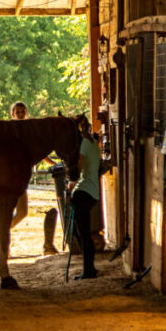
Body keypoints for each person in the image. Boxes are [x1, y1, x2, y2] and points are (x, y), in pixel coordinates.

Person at [4, 102, 56, 249]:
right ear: (13, 114)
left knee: (22, 212)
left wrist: (53, 164)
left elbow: (40, 151)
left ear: (26, 113)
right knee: (8, 210)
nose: (20, 115)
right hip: (10, 176)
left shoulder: (30, 131)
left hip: (22, 178)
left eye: (22, 112)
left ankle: (1, 233)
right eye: (17, 112)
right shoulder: (9, 130)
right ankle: (3, 241)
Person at [68, 114, 101, 279]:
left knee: (83, 233)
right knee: (79, 231)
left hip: (83, 192)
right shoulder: (95, 143)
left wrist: (70, 183)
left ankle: (89, 269)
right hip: (93, 192)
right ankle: (89, 267)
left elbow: (78, 170)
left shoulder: (84, 145)